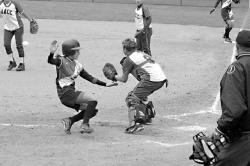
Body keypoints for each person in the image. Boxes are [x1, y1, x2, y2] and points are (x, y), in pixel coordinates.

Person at [47, 39, 117, 134]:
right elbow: (51, 61)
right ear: (70, 51)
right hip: (66, 93)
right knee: (92, 100)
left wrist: (105, 84)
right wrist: (51, 53)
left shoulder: (77, 65)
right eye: (77, 51)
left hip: (70, 94)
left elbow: (89, 78)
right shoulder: (61, 61)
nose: (79, 53)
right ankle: (85, 125)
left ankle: (69, 121)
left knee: (92, 110)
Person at [211, 30, 250, 166]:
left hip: (245, 137)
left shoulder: (238, 68)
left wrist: (220, 128)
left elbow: (235, 109)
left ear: (237, 47)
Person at [114, 38, 167, 134]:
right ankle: (148, 115)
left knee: (131, 98)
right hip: (161, 78)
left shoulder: (129, 60)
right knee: (140, 95)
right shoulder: (140, 53)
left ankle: (135, 125)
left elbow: (124, 79)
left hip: (152, 79)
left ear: (125, 49)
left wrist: (113, 77)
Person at [0, 0, 34, 71]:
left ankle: (22, 64)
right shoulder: (1, 4)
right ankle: (12, 62)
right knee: (6, 45)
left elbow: (23, 12)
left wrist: (30, 20)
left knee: (19, 45)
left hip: (18, 27)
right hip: (7, 28)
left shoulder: (15, 4)